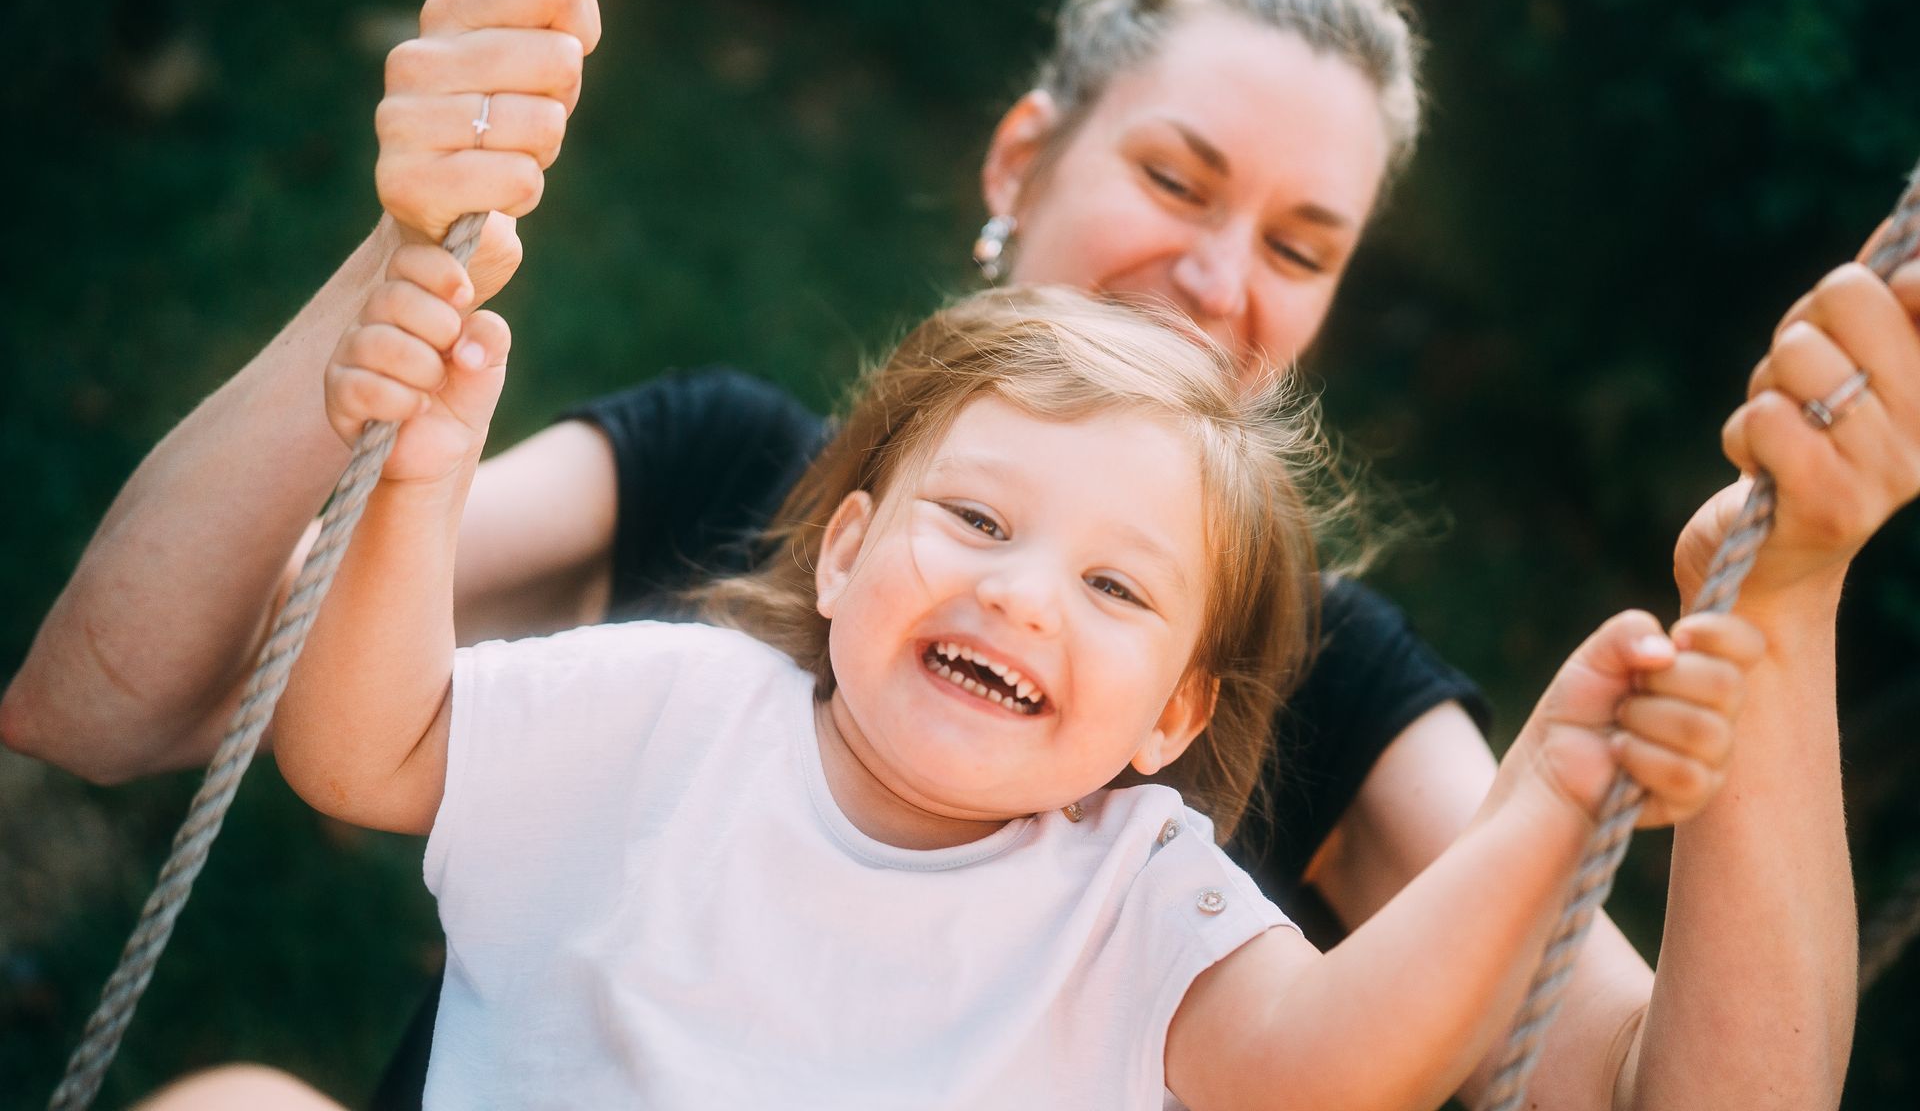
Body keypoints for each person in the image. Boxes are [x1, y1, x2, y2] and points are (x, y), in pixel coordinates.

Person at [9, 0, 1917, 1106]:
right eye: (1177, 178)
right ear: (1024, 158)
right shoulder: (726, 503)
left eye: (1303, 244)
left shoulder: (1308, 693)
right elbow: (141, 698)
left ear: (1188, 703)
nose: (1218, 277)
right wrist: (403, 283)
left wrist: (1793, 591)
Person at [277, 277, 1758, 1109]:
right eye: (977, 521)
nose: (1022, 593)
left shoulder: (1135, 905)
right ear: (846, 554)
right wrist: (417, 484)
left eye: (1116, 589)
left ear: (1172, 718)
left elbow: (1327, 1068)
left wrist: (1548, 802)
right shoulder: (676, 709)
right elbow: (361, 754)